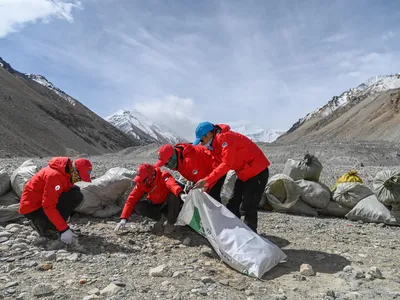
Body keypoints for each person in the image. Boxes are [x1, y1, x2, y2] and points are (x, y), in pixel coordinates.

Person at [192, 121, 270, 233]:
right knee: (233, 203)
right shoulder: (214, 146)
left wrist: (206, 180)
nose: (202, 144)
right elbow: (217, 166)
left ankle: (251, 236)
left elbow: (226, 164)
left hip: (257, 172)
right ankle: (234, 233)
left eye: (202, 140)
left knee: (248, 206)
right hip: (244, 174)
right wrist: (207, 184)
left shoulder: (226, 138)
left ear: (208, 135)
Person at [19, 157, 92, 244]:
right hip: (32, 208)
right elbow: (48, 206)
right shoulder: (55, 176)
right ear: (75, 171)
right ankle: (43, 226)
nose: (79, 180)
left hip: (40, 203)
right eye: (79, 177)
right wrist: (64, 229)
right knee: (72, 196)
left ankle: (54, 223)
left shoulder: (65, 173)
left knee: (75, 193)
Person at [114, 163, 186, 234]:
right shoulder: (142, 184)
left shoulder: (163, 176)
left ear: (150, 176)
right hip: (157, 205)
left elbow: (172, 185)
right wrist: (124, 218)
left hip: (169, 205)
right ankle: (161, 218)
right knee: (138, 206)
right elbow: (131, 199)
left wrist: (180, 194)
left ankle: (170, 223)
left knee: (173, 194)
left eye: (143, 180)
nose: (141, 182)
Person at [154, 143, 226, 202]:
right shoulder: (179, 157)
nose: (166, 166)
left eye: (166, 163)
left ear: (172, 158)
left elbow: (204, 181)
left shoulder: (189, 161)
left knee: (212, 200)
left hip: (216, 171)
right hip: (206, 174)